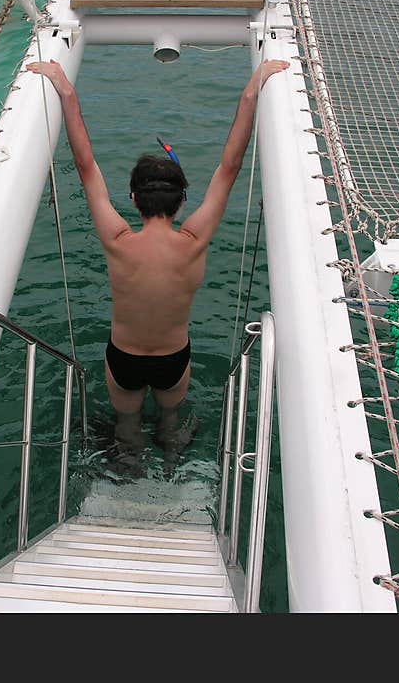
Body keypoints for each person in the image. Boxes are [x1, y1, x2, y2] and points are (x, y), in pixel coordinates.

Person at [27, 57, 289, 464]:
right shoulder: (193, 241)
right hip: (173, 356)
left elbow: (86, 168)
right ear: (182, 201)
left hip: (124, 356)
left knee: (126, 425)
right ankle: (172, 458)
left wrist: (66, 88)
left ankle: (130, 468)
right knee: (170, 417)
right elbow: (229, 168)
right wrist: (251, 90)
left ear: (133, 199)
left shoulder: (117, 240)